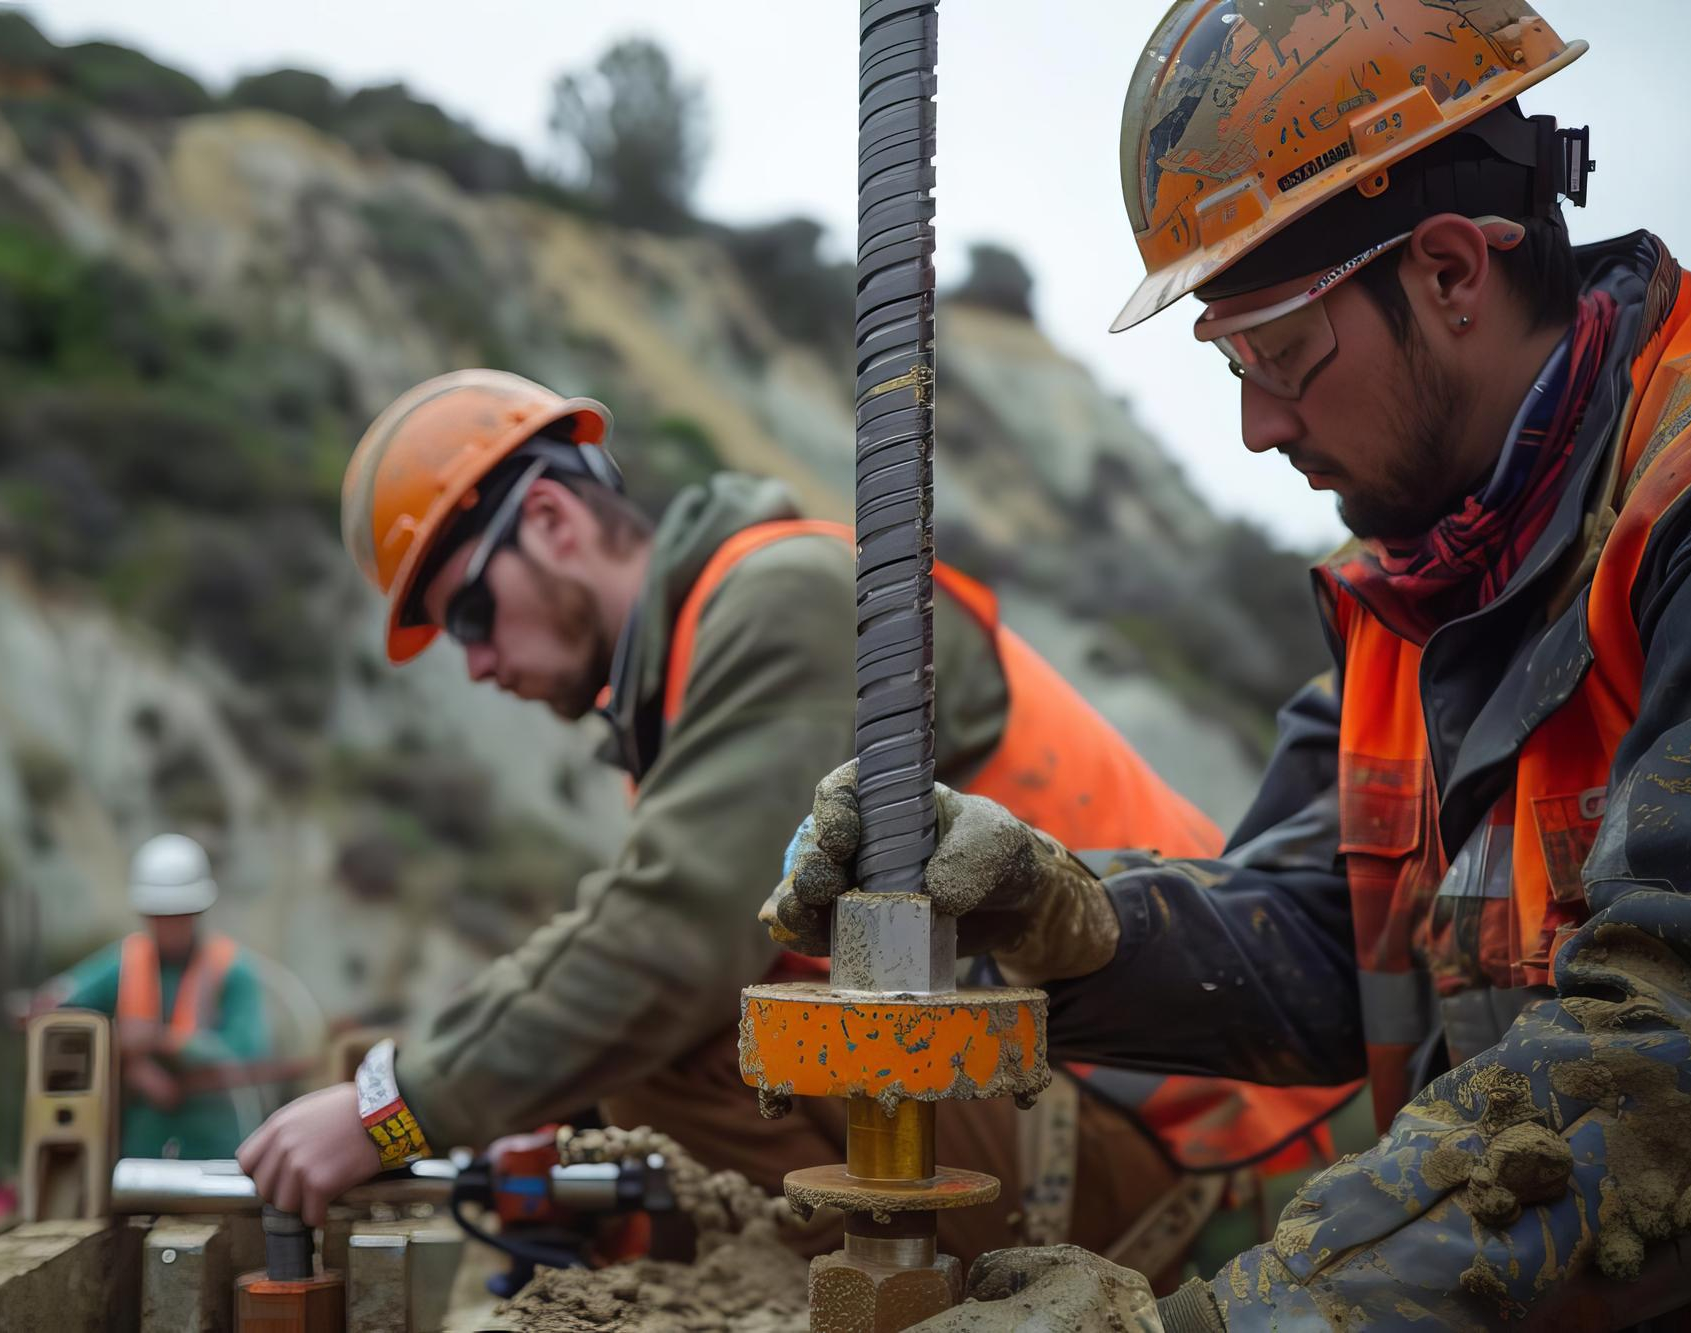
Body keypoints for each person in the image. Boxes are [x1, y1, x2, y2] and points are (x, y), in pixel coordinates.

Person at [765, 1, 1691, 1327]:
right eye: (1230, 359)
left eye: (1281, 349)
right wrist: (1055, 912)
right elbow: (1322, 946)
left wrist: (1229, 1321)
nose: (1254, 422)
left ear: (1455, 271)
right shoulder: (1416, 594)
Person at [236, 369, 1349, 1269]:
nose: (475, 662)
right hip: (1062, 1094)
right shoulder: (687, 695)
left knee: (668, 1028)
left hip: (1186, 1128)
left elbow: (664, 948)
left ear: (550, 519)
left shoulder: (779, 602)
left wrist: (393, 1106)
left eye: (469, 612)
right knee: (618, 1065)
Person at [37, 833, 269, 1160]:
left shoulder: (232, 968)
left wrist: (162, 1041)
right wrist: (131, 1064)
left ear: (199, 911)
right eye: (160, 915)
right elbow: (60, 1011)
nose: (170, 925)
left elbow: (247, 1052)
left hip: (218, 1143)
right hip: (141, 1146)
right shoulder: (124, 963)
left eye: (180, 914)